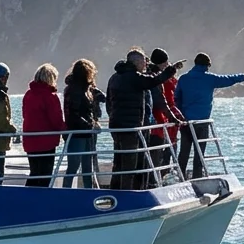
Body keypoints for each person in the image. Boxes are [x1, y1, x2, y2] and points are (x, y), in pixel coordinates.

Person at [105, 48, 183, 190]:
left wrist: (112, 116)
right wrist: (171, 70)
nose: (145, 64)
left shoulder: (114, 77)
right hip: (131, 126)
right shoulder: (134, 77)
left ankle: (114, 191)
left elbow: (108, 102)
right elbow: (154, 80)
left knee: (119, 161)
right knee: (131, 164)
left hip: (116, 125)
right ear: (136, 62)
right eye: (143, 62)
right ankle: (128, 195)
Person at [175, 52, 244, 178]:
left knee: (184, 151)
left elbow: (177, 97)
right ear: (207, 65)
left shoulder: (183, 78)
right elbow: (228, 79)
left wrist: (180, 114)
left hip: (186, 122)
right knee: (199, 153)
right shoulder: (210, 79)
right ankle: (197, 177)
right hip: (202, 122)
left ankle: (180, 177)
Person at [62, 58, 106, 189]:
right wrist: (90, 125)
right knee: (73, 166)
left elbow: (102, 98)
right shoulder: (74, 90)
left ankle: (88, 191)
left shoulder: (86, 89)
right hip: (77, 133)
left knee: (88, 166)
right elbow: (74, 114)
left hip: (86, 133)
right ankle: (67, 192)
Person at [21, 63, 64, 187]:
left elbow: (25, 114)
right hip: (46, 141)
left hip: (30, 139)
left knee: (34, 172)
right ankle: (42, 199)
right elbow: (55, 120)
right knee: (45, 174)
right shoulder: (50, 97)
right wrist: (66, 129)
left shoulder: (28, 95)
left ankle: (27, 198)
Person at [147, 48, 186, 180]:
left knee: (168, 146)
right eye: (164, 62)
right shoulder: (158, 78)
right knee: (166, 147)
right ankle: (163, 174)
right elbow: (166, 95)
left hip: (165, 116)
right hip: (163, 117)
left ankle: (165, 172)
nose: (166, 64)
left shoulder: (155, 75)